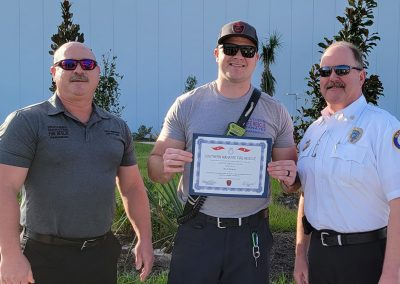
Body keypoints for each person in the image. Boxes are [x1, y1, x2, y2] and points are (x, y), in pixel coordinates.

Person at [148, 20, 300, 284]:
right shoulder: (187, 104)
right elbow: (154, 168)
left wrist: (289, 178)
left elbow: (293, 182)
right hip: (198, 229)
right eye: (230, 49)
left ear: (257, 58)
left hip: (250, 233)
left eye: (247, 51)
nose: (238, 56)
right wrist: (164, 165)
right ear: (217, 53)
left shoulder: (275, 111)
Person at [0, 42, 154, 284]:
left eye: (88, 64)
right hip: (42, 255)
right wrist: (9, 255)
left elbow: (132, 187)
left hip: (100, 255)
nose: (79, 70)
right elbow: (4, 188)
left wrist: (144, 238)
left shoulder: (116, 127)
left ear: (97, 73)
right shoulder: (27, 122)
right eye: (68, 64)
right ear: (54, 73)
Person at [294, 41, 400, 284]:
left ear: (361, 76)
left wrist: (393, 271)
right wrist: (301, 255)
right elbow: (305, 195)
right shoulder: (313, 132)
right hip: (320, 257)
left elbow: (398, 201)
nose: (333, 77)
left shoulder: (383, 127)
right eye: (325, 71)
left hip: (368, 257)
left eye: (342, 70)